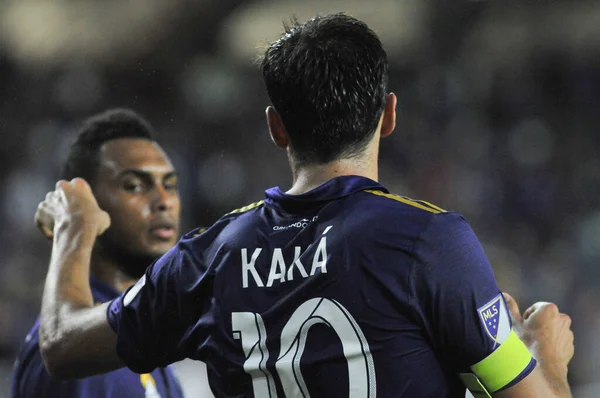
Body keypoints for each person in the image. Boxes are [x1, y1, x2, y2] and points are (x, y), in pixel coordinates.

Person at [33, 14, 574, 398]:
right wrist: (546, 358)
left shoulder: (206, 259)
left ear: (276, 127)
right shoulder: (431, 243)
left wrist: (73, 231)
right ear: (388, 115)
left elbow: (60, 345)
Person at [12, 109, 185, 398]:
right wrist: (74, 226)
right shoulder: (79, 353)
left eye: (170, 185)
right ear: (87, 205)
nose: (163, 200)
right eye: (133, 185)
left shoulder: (134, 325)